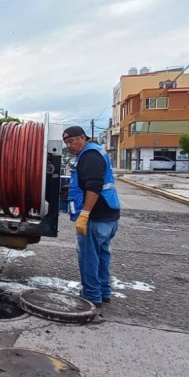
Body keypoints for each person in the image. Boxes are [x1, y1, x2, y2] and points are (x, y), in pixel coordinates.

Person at [62, 126, 121, 307]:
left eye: (71, 141)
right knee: (102, 255)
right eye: (66, 142)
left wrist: (85, 214)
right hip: (109, 214)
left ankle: (91, 296)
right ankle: (104, 291)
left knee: (89, 257)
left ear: (82, 137)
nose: (69, 146)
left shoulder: (89, 156)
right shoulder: (94, 152)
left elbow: (94, 186)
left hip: (96, 217)